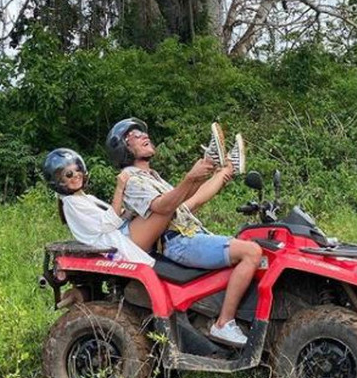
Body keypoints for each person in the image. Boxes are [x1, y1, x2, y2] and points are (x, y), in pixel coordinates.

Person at [106, 118, 262, 348]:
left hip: (189, 234)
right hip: (178, 241)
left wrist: (223, 172)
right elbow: (162, 207)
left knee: (254, 242)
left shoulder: (153, 178)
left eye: (143, 132)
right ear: (124, 149)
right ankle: (224, 323)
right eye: (135, 135)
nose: (143, 135)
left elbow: (193, 200)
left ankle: (217, 161)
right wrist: (191, 176)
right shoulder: (132, 180)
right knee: (251, 252)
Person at [43, 147, 214, 267]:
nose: (76, 175)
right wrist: (120, 187)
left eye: (78, 169)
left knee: (180, 205)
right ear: (58, 181)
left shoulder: (83, 198)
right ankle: (199, 174)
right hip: (119, 242)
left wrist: (132, 211)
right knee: (166, 208)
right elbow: (109, 223)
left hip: (122, 233)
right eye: (69, 174)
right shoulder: (73, 204)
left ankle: (217, 170)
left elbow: (116, 217)